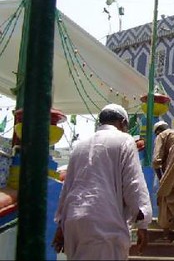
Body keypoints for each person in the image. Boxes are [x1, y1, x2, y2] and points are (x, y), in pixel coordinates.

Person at [52, 104, 152, 260]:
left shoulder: (79, 146)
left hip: (73, 222)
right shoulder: (124, 141)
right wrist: (143, 223)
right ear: (122, 122)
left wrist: (60, 225)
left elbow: (68, 187)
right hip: (104, 223)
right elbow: (133, 185)